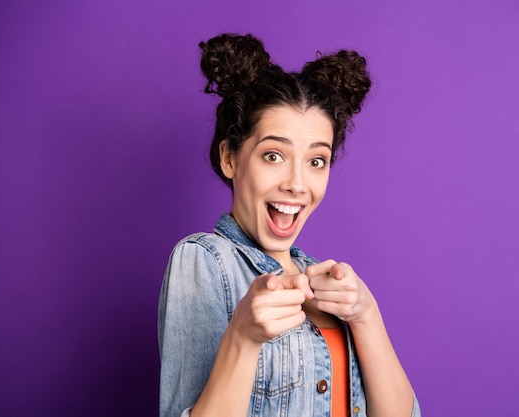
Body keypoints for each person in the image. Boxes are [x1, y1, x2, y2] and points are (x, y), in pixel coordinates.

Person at [158, 33, 421, 417]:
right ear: (230, 158)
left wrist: (366, 313)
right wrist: (243, 338)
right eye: (274, 155)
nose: (297, 184)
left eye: (317, 161)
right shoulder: (204, 261)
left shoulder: (329, 286)